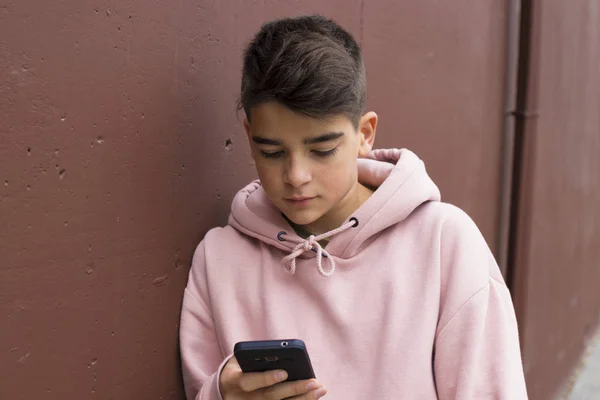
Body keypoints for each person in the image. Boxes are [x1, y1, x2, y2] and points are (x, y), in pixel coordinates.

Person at [180, 14, 528, 400]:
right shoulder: (218, 259)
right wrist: (222, 394)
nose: (296, 175)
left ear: (364, 134)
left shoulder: (445, 244)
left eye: (322, 150)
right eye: (272, 151)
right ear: (249, 137)